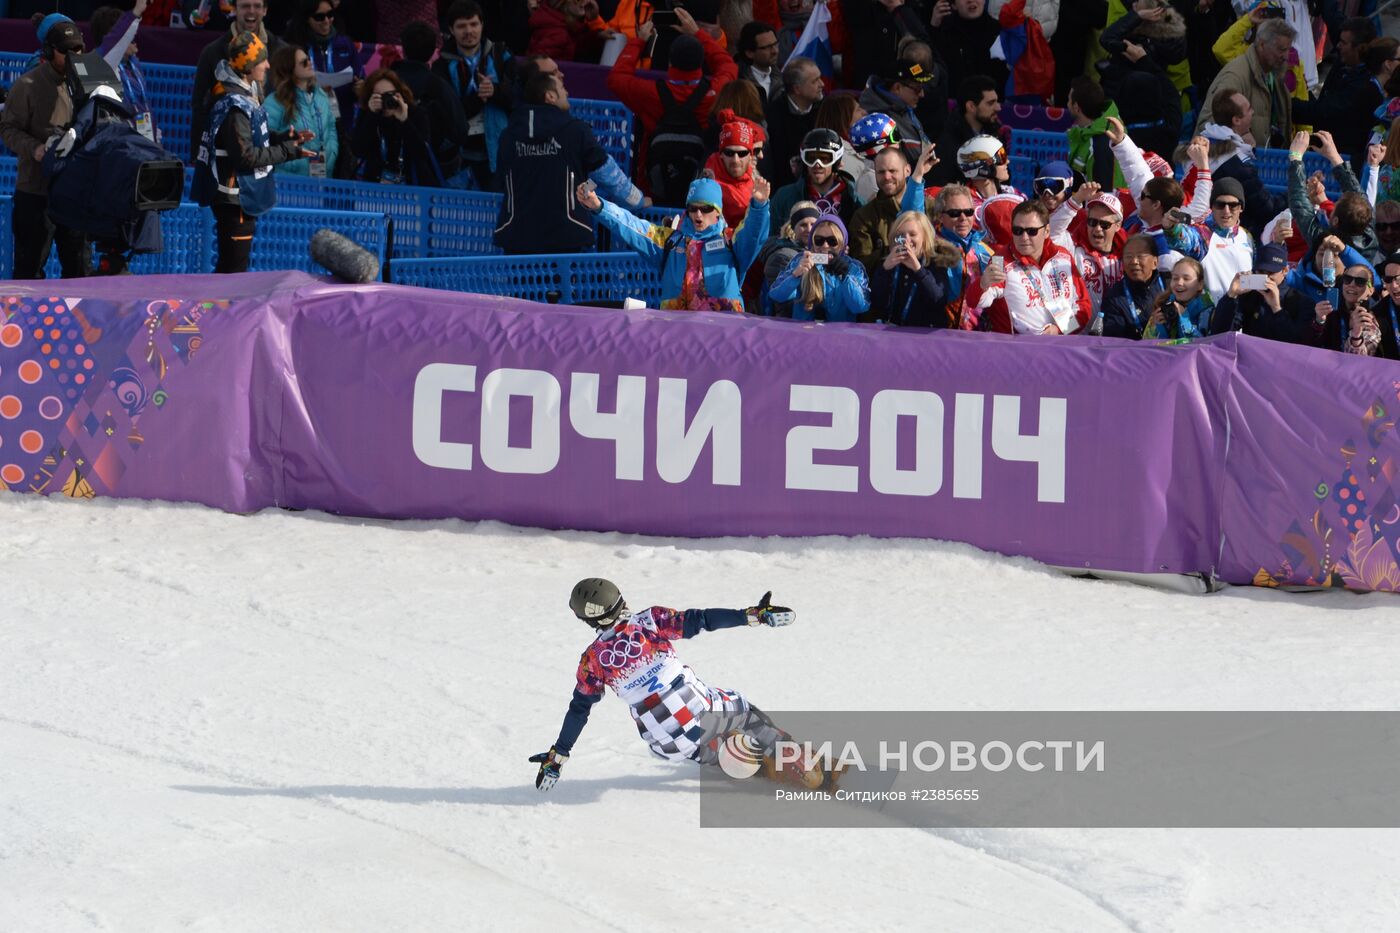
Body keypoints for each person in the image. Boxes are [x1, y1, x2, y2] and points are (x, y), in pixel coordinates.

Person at [530, 579, 812, 794]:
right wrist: (751, 615)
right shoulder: (648, 622)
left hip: (664, 740)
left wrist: (558, 756)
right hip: (700, 707)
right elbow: (701, 620)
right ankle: (791, 755)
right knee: (742, 710)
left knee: (702, 748)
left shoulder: (592, 660)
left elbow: (579, 710)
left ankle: (749, 765)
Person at [192, 31, 314, 274]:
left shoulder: (246, 92)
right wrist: (286, 152)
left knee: (232, 267)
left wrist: (283, 138)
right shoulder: (234, 104)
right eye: (262, 61)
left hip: (239, 197)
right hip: (235, 198)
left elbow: (250, 140)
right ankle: (219, 311)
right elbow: (245, 156)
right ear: (247, 67)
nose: (268, 65)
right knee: (233, 270)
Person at [494, 70, 641, 254]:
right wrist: (637, 199)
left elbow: (500, 182)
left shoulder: (507, 136)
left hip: (515, 238)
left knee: (521, 283)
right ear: (550, 96)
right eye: (562, 88)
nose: (567, 93)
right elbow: (606, 173)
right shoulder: (576, 131)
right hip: (567, 237)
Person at [580, 175, 771, 312]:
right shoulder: (669, 241)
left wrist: (759, 207)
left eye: (705, 208)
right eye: (693, 208)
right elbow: (632, 226)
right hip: (677, 338)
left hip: (723, 336)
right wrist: (600, 207)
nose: (698, 214)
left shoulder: (731, 241)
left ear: (718, 212)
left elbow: (753, 235)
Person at [0, 16, 90, 279]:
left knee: (80, 271)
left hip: (75, 190)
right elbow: (7, 129)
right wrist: (36, 148)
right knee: (29, 270)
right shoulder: (27, 85)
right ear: (50, 52)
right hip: (36, 190)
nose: (74, 56)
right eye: (66, 50)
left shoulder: (90, 81)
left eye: (78, 49)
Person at [608, 14, 737, 195]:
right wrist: (698, 33)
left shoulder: (650, 93)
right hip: (701, 190)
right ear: (701, 62)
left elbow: (616, 78)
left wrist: (640, 41)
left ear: (670, 62)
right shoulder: (717, 90)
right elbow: (727, 64)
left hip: (653, 190)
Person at [968, 200, 1091, 335]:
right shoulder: (1000, 260)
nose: (1024, 237)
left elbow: (1083, 306)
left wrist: (1059, 330)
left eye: (1032, 231)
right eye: (1018, 231)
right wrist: (982, 284)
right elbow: (977, 302)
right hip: (1019, 349)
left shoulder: (1063, 256)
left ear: (1047, 231)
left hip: (1061, 346)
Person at [435, 0, 516, 190]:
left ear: (482, 25)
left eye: (473, 24)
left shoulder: (501, 54)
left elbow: (519, 96)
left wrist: (495, 91)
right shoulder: (441, 66)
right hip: (460, 154)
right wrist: (479, 98)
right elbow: (446, 112)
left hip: (499, 148)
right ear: (451, 30)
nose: (468, 31)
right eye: (461, 26)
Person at [191, 0, 287, 159]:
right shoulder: (211, 52)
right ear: (234, 9)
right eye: (245, 6)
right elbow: (199, 107)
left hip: (271, 150)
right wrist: (197, 155)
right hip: (226, 151)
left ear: (265, 10)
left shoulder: (281, 51)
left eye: (257, 6)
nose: (251, 11)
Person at [1097, 0, 1186, 160]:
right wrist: (1136, 17)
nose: (1134, 4)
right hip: (1122, 104)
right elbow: (1106, 39)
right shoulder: (1127, 33)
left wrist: (1168, 20)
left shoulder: (1160, 38)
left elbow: (1178, 53)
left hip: (1151, 108)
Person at [1294, 35, 1398, 168]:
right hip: (1350, 164)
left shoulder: (1377, 91)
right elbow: (1328, 112)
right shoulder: (1365, 92)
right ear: (1388, 64)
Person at [1194, 90, 1286, 240]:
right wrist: (1297, 192)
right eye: (1249, 109)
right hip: (1232, 237)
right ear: (1236, 120)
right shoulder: (1237, 164)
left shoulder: (1203, 143)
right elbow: (1267, 210)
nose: (1253, 112)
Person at [1195, 17, 1295, 149]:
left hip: (1259, 162)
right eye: (1281, 49)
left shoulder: (1273, 74)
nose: (1286, 56)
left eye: (1288, 49)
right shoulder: (1235, 76)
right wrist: (1239, 138)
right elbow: (1207, 124)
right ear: (1261, 45)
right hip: (1231, 165)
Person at [393, 21, 473, 188]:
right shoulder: (438, 85)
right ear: (432, 52)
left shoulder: (385, 82)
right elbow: (461, 131)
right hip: (429, 176)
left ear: (403, 48)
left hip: (388, 172)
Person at [1287, 131, 1381, 266]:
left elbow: (1300, 205)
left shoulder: (1324, 242)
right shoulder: (1370, 236)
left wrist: (1295, 158)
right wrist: (1333, 155)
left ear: (1335, 221)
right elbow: (1356, 192)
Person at [848, 144, 937, 271]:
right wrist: (889, 251)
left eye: (892, 171)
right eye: (881, 172)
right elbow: (860, 266)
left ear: (907, 170)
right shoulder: (863, 216)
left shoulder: (929, 207)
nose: (887, 177)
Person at [867, 210, 962, 327]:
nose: (906, 240)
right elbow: (875, 302)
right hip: (892, 334)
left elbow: (938, 299)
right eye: (900, 235)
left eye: (912, 234)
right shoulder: (887, 263)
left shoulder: (936, 263)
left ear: (924, 237)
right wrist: (884, 270)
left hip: (923, 335)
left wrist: (918, 270)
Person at [769, 214, 870, 322]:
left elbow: (860, 307)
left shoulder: (853, 267)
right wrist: (795, 275)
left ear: (842, 244)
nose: (825, 246)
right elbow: (776, 295)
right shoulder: (801, 260)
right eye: (819, 240)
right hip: (805, 334)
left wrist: (845, 277)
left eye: (832, 241)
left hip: (840, 335)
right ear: (812, 242)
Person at [1048, 186, 1126, 326]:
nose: (1097, 228)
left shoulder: (1127, 256)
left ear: (1118, 225)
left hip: (1115, 339)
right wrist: (1076, 200)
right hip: (1079, 337)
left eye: (1104, 224)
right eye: (1092, 222)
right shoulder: (1073, 247)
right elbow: (1050, 233)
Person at [350, 68, 437, 185]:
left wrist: (404, 121)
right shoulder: (369, 114)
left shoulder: (416, 114)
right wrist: (372, 116)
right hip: (377, 187)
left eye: (390, 95)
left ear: (400, 94)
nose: (385, 100)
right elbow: (358, 150)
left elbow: (422, 154)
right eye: (378, 96)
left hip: (412, 187)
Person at [1207, 242, 1306, 341]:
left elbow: (1296, 343)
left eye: (1271, 273)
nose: (1266, 278)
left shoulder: (1299, 301)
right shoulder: (1249, 296)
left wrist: (1277, 309)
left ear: (1285, 271)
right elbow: (1220, 334)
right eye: (1261, 272)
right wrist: (1231, 295)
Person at [263, 45, 338, 176]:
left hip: (323, 180)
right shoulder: (275, 101)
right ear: (290, 69)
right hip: (289, 184)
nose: (310, 63)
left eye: (308, 59)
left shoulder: (322, 94)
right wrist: (296, 161)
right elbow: (265, 141)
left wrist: (332, 154)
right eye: (304, 62)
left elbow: (331, 128)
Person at [92, 1, 158, 144]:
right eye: (130, 37)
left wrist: (155, 138)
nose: (134, 41)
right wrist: (136, 12)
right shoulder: (103, 65)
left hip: (144, 144)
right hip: (118, 147)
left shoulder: (133, 65)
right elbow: (115, 40)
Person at [770, 128, 859, 234]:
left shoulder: (853, 199)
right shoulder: (784, 197)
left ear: (837, 161)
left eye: (825, 158)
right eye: (811, 158)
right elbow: (770, 239)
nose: (817, 164)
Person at [933, 183, 995, 329]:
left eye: (968, 212)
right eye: (955, 213)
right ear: (941, 217)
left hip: (976, 334)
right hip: (939, 333)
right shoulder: (930, 246)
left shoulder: (986, 251)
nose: (963, 218)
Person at [857, 59, 932, 171]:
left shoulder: (904, 109)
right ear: (897, 88)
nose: (922, 94)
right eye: (917, 88)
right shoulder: (878, 120)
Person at [763, 57, 824, 189]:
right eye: (815, 81)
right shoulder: (772, 116)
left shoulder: (825, 109)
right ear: (797, 89)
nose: (822, 84)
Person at [930, 74, 999, 187]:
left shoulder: (993, 133)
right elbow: (940, 185)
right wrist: (993, 173)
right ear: (971, 106)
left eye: (997, 101)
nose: (998, 107)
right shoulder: (948, 142)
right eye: (990, 103)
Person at [703, 110, 767, 229]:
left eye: (742, 153)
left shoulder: (754, 179)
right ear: (721, 153)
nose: (736, 159)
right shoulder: (708, 183)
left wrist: (760, 206)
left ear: (749, 153)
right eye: (729, 153)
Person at [757, 200, 821, 316]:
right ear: (793, 228)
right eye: (803, 225)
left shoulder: (820, 252)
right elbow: (783, 302)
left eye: (813, 224)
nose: (809, 229)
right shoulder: (781, 256)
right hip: (790, 323)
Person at [1101, 233, 1169, 339]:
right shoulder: (1114, 297)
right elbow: (1114, 343)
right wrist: (1151, 328)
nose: (1134, 261)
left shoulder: (1171, 283)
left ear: (1155, 262)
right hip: (1137, 354)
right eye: (1128, 256)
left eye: (1140, 256)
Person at [929, 0, 1007, 91]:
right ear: (954, 5)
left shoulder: (1000, 31)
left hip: (991, 100)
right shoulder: (943, 30)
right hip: (953, 101)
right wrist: (933, 27)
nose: (971, 1)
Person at [1311, 264, 1382, 355]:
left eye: (1360, 281)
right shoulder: (1330, 309)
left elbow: (1360, 360)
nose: (1352, 284)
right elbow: (1309, 346)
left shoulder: (1373, 316)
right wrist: (1319, 321)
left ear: (1370, 291)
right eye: (1347, 279)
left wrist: (1356, 335)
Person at [1065, 76, 1119, 191]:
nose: (1067, 104)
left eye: (1069, 99)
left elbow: (1102, 194)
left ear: (1076, 108)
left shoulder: (1100, 145)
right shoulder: (1086, 132)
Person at [955, 134, 1018, 208]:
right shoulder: (966, 207)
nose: (1007, 161)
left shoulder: (1012, 194)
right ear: (984, 167)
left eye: (1003, 153)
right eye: (1001, 157)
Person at [734, 22, 781, 104]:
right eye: (767, 47)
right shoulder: (736, 82)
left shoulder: (782, 79)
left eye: (775, 44)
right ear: (749, 53)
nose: (775, 51)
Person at [1365, 252, 1400, 360]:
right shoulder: (1378, 312)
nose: (1393, 285)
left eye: (1398, 279)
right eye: (1388, 280)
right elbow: (1365, 351)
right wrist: (1357, 339)